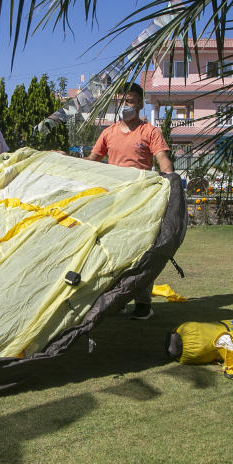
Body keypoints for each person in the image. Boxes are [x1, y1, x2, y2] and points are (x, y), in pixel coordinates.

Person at [86, 81, 175, 320]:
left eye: (130, 102)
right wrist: (65, 161)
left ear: (139, 104)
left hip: (141, 202)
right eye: (121, 101)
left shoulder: (149, 132)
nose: (125, 106)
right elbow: (91, 161)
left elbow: (163, 161)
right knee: (113, 252)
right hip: (114, 202)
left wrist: (172, 182)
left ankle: (143, 303)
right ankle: (115, 299)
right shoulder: (109, 133)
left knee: (141, 252)